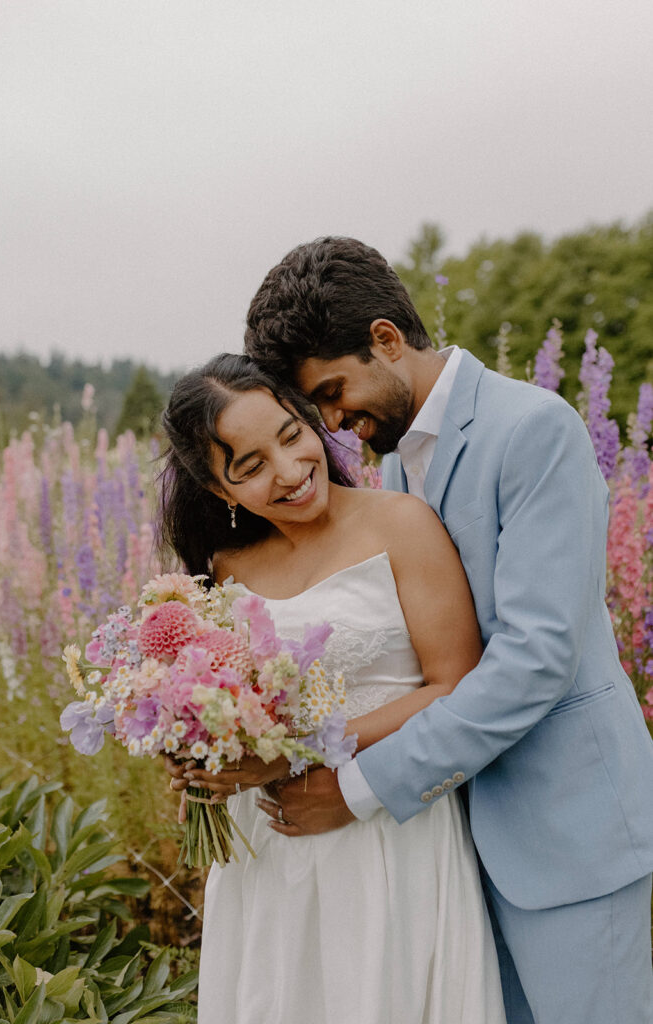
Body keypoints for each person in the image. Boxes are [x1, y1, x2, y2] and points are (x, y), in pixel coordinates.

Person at [240, 237, 653, 1024]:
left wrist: (358, 791)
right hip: (458, 853)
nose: (332, 424)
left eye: (332, 391)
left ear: (386, 340)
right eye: (314, 408)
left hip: (570, 837)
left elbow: (534, 661)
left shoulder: (533, 428)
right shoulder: (397, 465)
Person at [159, 353, 507, 1024]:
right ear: (221, 491)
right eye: (251, 466)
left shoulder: (400, 521)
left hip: (386, 829)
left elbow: (455, 684)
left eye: (291, 435)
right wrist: (194, 755)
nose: (289, 472)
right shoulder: (223, 569)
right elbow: (215, 701)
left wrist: (295, 754)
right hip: (268, 849)